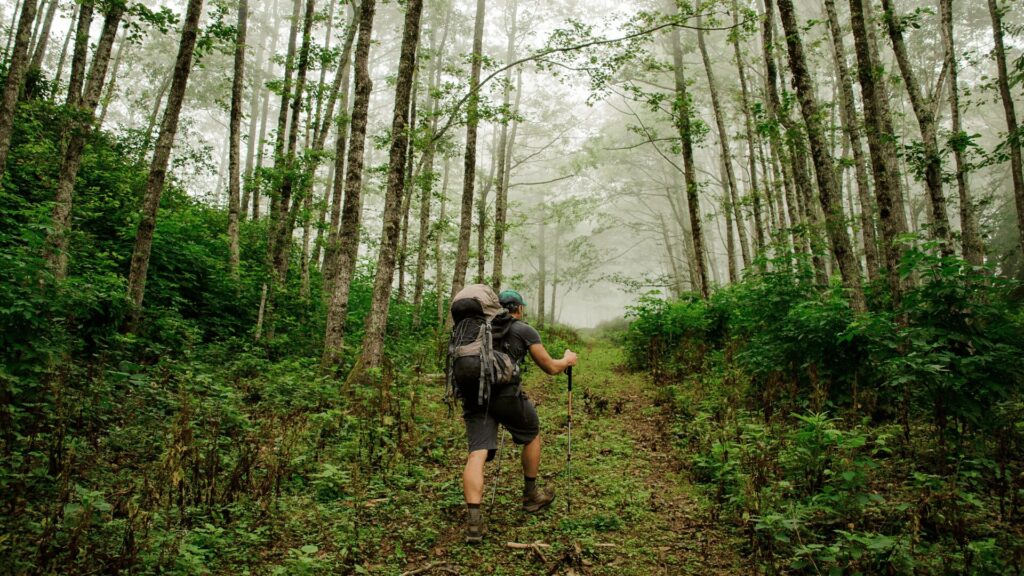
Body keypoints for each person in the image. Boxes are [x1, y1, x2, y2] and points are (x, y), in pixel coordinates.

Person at [461, 288, 578, 544]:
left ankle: (473, 524)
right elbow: (550, 367)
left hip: (474, 397)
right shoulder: (523, 329)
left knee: (476, 453)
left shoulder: (477, 330)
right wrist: (568, 359)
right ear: (519, 308)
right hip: (506, 397)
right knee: (532, 434)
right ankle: (531, 496)